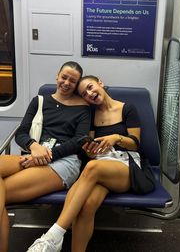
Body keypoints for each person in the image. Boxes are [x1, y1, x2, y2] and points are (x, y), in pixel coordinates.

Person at [27, 75, 141, 252]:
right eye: (84, 94)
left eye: (90, 87)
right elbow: (90, 152)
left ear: (100, 83)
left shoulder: (127, 108)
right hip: (100, 166)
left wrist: (116, 138)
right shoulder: (91, 114)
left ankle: (54, 236)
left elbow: (135, 144)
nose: (90, 93)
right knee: (86, 206)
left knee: (92, 167)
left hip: (126, 165)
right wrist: (89, 150)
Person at [0, 61, 91, 252]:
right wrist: (33, 146)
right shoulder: (40, 101)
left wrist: (45, 156)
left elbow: (78, 142)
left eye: (72, 81)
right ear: (57, 76)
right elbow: (22, 132)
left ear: (77, 85)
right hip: (35, 154)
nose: (66, 83)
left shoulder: (83, 108)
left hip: (64, 161)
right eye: (64, 77)